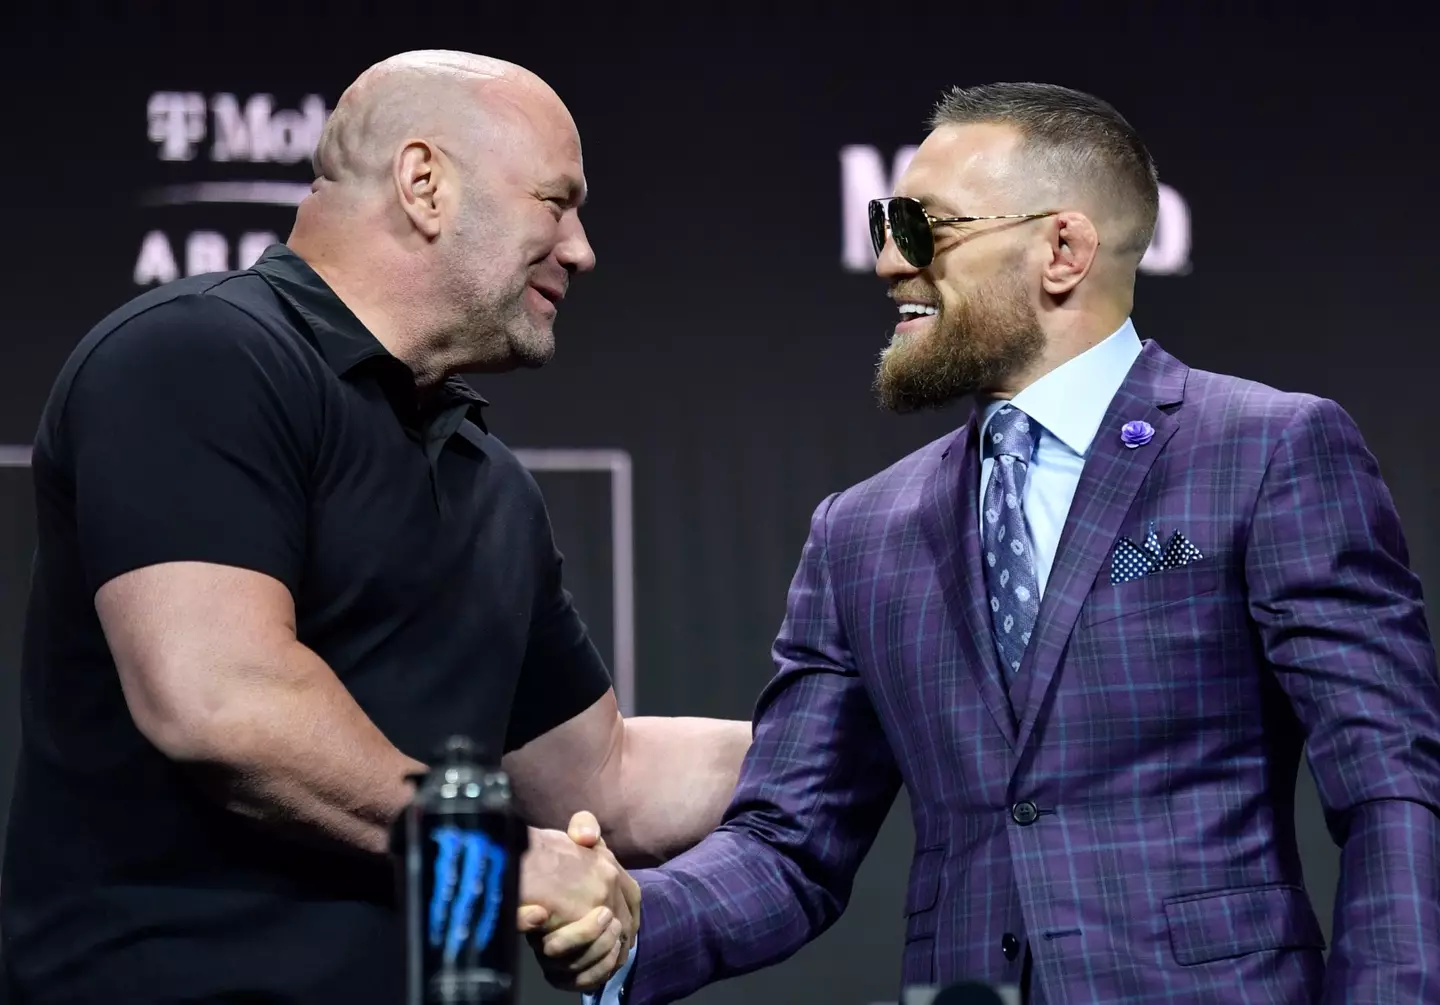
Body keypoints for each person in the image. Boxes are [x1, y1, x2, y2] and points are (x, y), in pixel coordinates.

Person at [568, 82, 1440, 1004]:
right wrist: (631, 917)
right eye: (883, 222)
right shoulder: (860, 531)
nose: (889, 262)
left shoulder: (1266, 450)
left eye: (924, 225)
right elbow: (788, 844)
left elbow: (1393, 785)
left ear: (1062, 248)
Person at [0, 51, 750, 1005]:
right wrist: (497, 855)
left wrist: (852, 727)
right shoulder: (199, 356)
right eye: (556, 204)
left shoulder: (491, 484)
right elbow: (222, 700)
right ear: (425, 183)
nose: (581, 247)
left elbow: (604, 774)